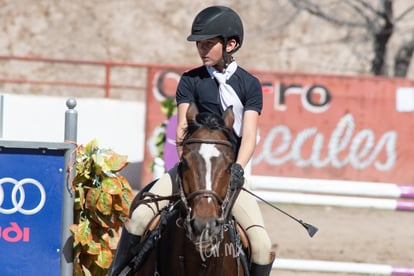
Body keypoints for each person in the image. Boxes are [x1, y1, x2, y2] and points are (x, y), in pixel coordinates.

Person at [109, 5, 275, 276]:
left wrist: (238, 169)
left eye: (209, 44)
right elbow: (182, 128)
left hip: (229, 173)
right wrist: (187, 165)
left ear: (230, 44)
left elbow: (250, 136)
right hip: (190, 170)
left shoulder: (250, 85)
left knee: (260, 244)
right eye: (200, 44)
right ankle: (116, 273)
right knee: (139, 219)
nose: (202, 50)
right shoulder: (190, 80)